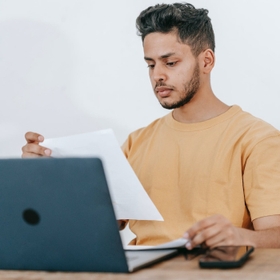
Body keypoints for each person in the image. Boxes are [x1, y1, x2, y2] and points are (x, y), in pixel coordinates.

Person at [22, 3, 280, 249]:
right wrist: (46, 180)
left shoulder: (257, 139)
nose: (158, 75)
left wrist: (238, 237)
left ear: (206, 61)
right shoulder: (138, 142)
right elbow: (91, 226)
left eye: (170, 63)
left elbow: (275, 234)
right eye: (150, 64)